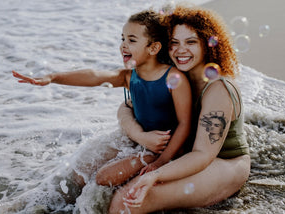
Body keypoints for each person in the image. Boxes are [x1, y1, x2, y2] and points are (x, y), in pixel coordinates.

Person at [12, 9, 192, 204]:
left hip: (167, 149)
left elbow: (185, 123)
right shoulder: (128, 76)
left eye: (131, 40)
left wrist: (161, 161)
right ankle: (36, 204)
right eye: (122, 39)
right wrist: (53, 78)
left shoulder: (174, 78)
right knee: (80, 170)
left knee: (103, 177)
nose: (123, 45)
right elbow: (95, 75)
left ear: (154, 47)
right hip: (139, 141)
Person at [109, 4, 250, 213]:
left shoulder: (218, 88)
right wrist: (139, 135)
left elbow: (202, 154)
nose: (180, 50)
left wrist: (156, 174)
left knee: (125, 202)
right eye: (174, 43)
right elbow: (125, 107)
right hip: (184, 152)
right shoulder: (172, 76)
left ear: (208, 45)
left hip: (223, 162)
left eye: (191, 42)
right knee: (93, 176)